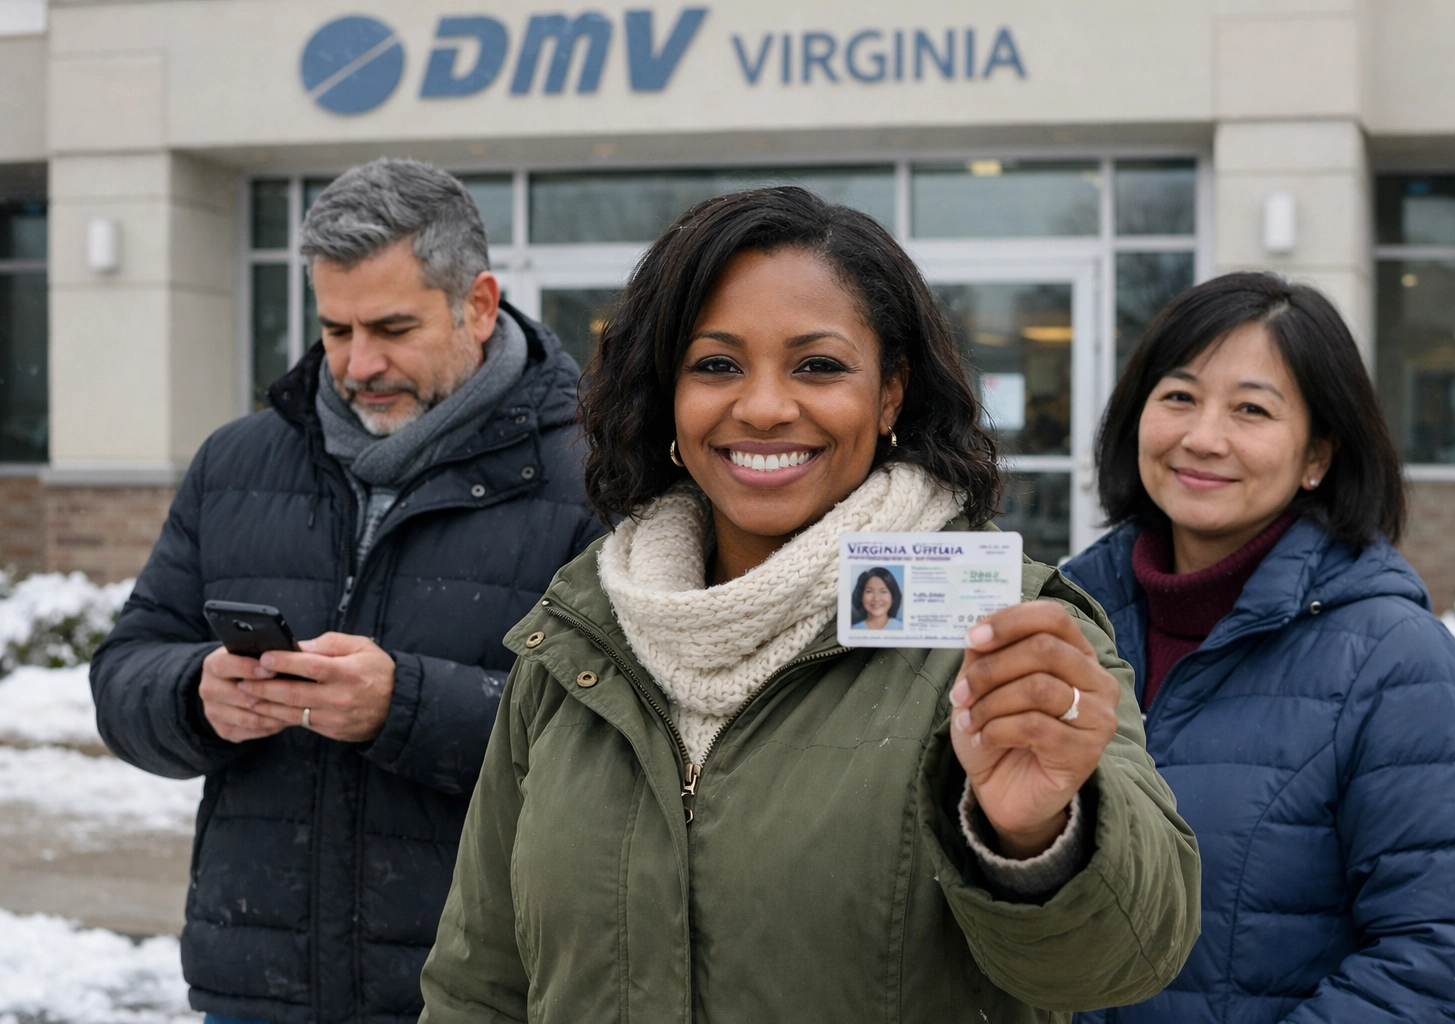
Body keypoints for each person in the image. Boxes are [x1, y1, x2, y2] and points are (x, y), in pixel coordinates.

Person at [419, 186, 1200, 1022]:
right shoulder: (579, 636)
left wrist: (1035, 838)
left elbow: (1122, 962)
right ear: (668, 394)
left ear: (891, 393)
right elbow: (480, 982)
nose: (761, 407)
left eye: (818, 366)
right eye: (716, 364)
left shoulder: (1008, 637)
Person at [89, 159, 604, 1024]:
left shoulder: (597, 477)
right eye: (336, 330)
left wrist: (402, 707)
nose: (359, 363)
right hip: (255, 990)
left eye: (393, 328)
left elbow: (621, 744)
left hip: (484, 993)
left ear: (477, 304)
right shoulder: (236, 461)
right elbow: (123, 674)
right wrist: (194, 694)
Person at [1061, 273, 1455, 1024]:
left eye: (1251, 410)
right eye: (1178, 397)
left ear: (1317, 456)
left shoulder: (1393, 659)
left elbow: (1440, 963)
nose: (1203, 437)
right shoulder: (1067, 622)